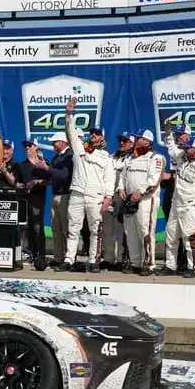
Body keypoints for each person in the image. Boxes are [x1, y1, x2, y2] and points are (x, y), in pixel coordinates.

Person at [60, 98, 115, 273]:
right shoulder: (78, 148)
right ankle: (69, 259)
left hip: (95, 196)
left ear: (102, 138)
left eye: (97, 134)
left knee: (95, 229)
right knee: (73, 228)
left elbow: (109, 179)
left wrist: (108, 198)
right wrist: (69, 113)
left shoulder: (106, 157)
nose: (93, 136)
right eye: (92, 133)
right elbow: (70, 130)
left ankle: (93, 260)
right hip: (77, 193)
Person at [161, 121, 195, 278]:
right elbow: (171, 147)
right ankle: (170, 265)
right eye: (187, 147)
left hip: (190, 206)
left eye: (190, 148)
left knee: (190, 237)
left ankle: (193, 267)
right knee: (171, 236)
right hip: (176, 203)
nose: (186, 149)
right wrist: (168, 133)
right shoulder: (181, 157)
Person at [119, 129, 165, 276]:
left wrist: (140, 192)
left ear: (147, 141)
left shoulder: (156, 157)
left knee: (145, 231)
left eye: (139, 138)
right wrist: (120, 188)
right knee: (130, 232)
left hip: (146, 200)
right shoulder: (130, 158)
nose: (136, 140)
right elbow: (123, 177)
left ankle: (149, 263)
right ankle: (135, 262)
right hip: (129, 200)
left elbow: (154, 180)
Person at [31, 132, 73, 267]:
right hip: (55, 195)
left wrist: (47, 167)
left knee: (66, 228)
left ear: (62, 142)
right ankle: (58, 257)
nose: (52, 144)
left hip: (66, 196)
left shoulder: (69, 156)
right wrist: (42, 172)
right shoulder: (56, 158)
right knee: (56, 228)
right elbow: (53, 176)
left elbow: (64, 175)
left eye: (54, 142)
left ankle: (68, 258)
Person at [161, 124, 191, 271]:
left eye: (182, 134)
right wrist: (168, 132)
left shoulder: (192, 152)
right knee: (172, 229)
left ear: (188, 136)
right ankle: (174, 263)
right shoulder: (177, 152)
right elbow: (171, 147)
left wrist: (171, 175)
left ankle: (187, 263)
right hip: (173, 192)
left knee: (187, 231)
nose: (179, 136)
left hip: (187, 195)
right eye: (177, 134)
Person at [102, 133, 133, 271]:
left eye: (125, 141)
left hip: (122, 197)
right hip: (108, 195)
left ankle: (122, 259)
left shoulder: (133, 158)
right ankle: (108, 258)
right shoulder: (111, 156)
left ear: (132, 143)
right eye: (120, 140)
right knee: (107, 229)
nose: (122, 143)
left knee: (121, 229)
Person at [19, 139, 49, 269]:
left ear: (36, 147)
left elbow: (49, 179)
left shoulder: (42, 162)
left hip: (37, 199)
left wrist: (36, 182)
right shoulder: (22, 165)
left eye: (29, 146)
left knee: (37, 227)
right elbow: (18, 182)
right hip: (25, 199)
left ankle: (41, 255)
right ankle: (31, 253)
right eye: (25, 146)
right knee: (27, 228)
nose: (27, 148)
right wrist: (20, 185)